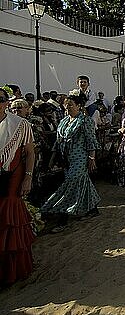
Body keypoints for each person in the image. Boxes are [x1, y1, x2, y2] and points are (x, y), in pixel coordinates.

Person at [42, 89, 100, 232]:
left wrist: (92, 158)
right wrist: (53, 158)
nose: (67, 107)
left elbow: (91, 140)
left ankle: (62, 218)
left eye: (70, 105)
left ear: (79, 106)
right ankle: (93, 209)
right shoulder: (63, 121)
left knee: (69, 184)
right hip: (65, 158)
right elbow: (58, 141)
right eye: (65, 105)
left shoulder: (85, 121)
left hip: (80, 158)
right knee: (82, 182)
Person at [0, 87, 36, 285]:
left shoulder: (20, 125)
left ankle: (12, 270)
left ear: (6, 103)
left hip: (12, 177)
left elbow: (30, 152)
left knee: (10, 219)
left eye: (1, 100)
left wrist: (28, 177)